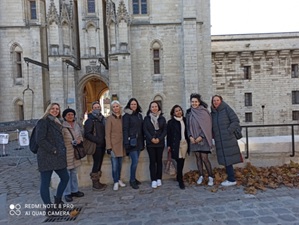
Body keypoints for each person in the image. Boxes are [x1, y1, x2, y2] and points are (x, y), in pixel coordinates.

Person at [35, 103, 69, 216]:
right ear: (48, 110)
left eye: (57, 109)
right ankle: (49, 207)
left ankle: (58, 200)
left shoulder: (57, 121)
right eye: (53, 109)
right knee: (45, 182)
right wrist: (53, 150)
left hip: (57, 157)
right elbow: (40, 139)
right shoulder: (43, 121)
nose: (55, 110)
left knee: (65, 177)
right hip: (46, 157)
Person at [211, 95, 243, 187]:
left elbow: (235, 121)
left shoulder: (226, 109)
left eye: (217, 100)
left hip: (228, 138)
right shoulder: (213, 113)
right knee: (225, 159)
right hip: (219, 140)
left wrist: (228, 131)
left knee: (228, 160)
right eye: (214, 101)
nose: (215, 102)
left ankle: (231, 179)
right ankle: (230, 177)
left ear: (221, 101)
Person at [186, 93, 214, 186]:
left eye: (196, 102)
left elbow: (207, 126)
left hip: (203, 139)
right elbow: (188, 127)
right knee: (198, 158)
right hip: (193, 139)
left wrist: (201, 136)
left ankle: (210, 177)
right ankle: (201, 175)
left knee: (205, 158)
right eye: (192, 102)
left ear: (199, 102)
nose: (194, 103)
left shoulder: (204, 112)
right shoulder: (189, 112)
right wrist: (190, 136)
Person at [61, 108, 84, 202]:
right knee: (67, 174)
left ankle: (75, 190)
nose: (70, 116)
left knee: (74, 172)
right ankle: (67, 193)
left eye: (72, 114)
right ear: (65, 116)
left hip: (75, 152)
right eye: (68, 115)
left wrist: (79, 140)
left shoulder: (76, 125)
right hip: (67, 152)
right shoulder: (62, 126)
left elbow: (80, 136)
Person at [143, 101, 167, 189]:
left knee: (159, 161)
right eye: (152, 106)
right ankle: (153, 179)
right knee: (152, 161)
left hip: (160, 143)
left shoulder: (162, 118)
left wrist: (159, 139)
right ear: (150, 108)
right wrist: (151, 138)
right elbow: (145, 130)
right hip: (150, 143)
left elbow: (165, 130)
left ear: (158, 107)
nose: (154, 108)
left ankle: (159, 178)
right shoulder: (146, 118)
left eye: (156, 106)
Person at [84, 101, 107, 191]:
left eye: (98, 107)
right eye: (95, 107)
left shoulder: (102, 119)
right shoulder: (90, 120)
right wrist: (98, 140)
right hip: (96, 146)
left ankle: (98, 181)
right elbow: (87, 134)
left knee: (99, 163)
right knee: (96, 163)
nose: (97, 108)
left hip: (102, 145)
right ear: (92, 109)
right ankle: (95, 183)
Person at [123, 98, 144, 189]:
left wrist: (143, 142)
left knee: (136, 161)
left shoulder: (139, 116)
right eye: (132, 104)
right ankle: (132, 180)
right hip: (131, 142)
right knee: (134, 162)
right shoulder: (126, 116)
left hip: (139, 142)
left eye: (135, 104)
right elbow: (125, 130)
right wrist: (126, 142)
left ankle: (134, 178)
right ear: (129, 105)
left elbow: (141, 130)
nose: (133, 106)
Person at [167, 105, 189, 189]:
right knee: (179, 160)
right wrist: (169, 145)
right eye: (176, 111)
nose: (179, 112)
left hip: (184, 143)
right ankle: (180, 179)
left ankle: (179, 176)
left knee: (182, 160)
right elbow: (169, 135)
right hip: (176, 144)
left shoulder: (185, 120)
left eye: (180, 110)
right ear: (173, 113)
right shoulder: (170, 122)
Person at [105, 100, 126, 191]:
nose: (115, 108)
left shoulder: (123, 118)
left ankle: (119, 179)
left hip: (121, 145)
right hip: (113, 145)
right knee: (114, 165)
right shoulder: (109, 119)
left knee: (120, 164)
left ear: (120, 107)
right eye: (114, 107)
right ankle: (115, 181)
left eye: (117, 106)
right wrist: (109, 146)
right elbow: (107, 133)